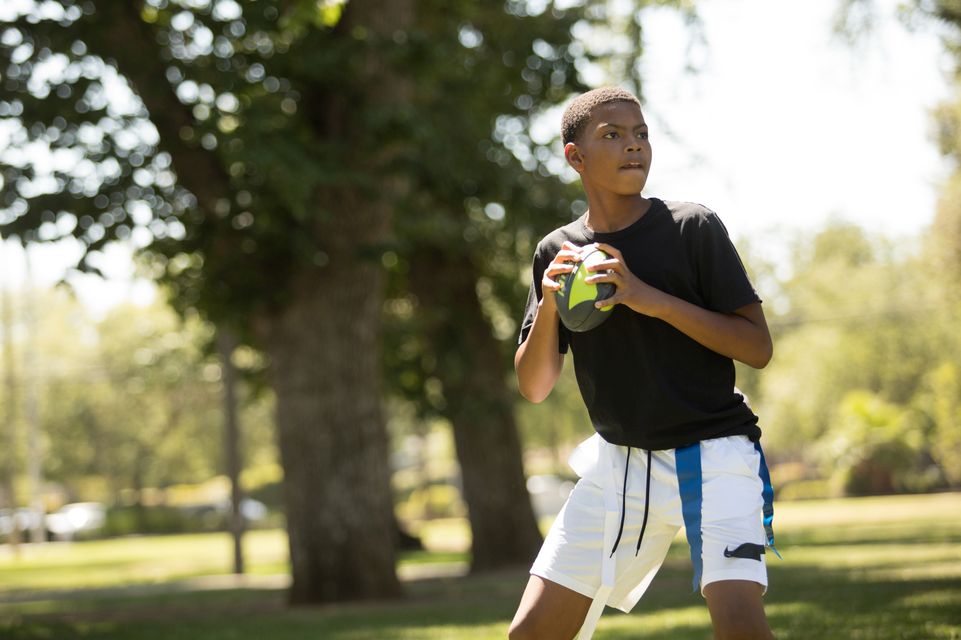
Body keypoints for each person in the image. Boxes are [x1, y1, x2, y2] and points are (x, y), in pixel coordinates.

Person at [508, 86, 779, 640]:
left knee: (740, 630)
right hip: (619, 465)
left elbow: (757, 346)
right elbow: (534, 386)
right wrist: (552, 310)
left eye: (640, 134)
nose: (634, 147)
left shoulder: (692, 227)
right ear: (574, 156)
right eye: (612, 135)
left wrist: (644, 296)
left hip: (716, 452)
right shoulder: (556, 252)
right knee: (531, 635)